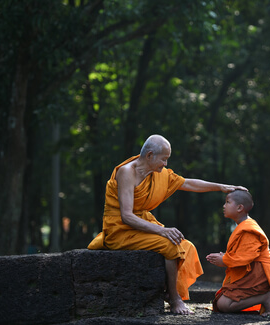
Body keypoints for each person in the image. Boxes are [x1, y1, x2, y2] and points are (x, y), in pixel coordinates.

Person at [88, 134, 246, 315]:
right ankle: (174, 299)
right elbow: (126, 216)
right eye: (164, 159)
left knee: (185, 246)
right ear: (149, 156)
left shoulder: (159, 175)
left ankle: (165, 291)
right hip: (120, 230)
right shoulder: (127, 172)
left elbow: (187, 183)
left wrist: (221, 187)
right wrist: (161, 231)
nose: (165, 164)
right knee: (170, 244)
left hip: (141, 224)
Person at [206, 190, 270, 316]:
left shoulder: (249, 229)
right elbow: (243, 252)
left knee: (223, 304)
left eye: (228, 202)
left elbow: (245, 257)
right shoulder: (243, 226)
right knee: (221, 302)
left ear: (239, 208)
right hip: (250, 274)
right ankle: (263, 297)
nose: (224, 206)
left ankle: (265, 297)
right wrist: (225, 256)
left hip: (257, 275)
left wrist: (225, 260)